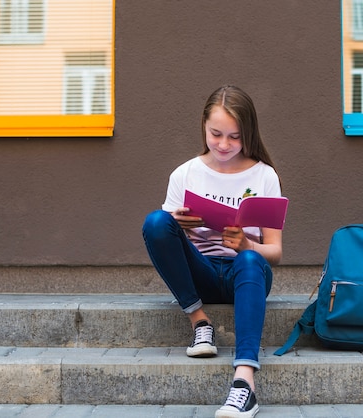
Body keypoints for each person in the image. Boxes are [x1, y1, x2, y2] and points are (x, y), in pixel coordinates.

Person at [142, 85, 283, 418]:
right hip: (201, 272)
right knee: (157, 222)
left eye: (234, 137)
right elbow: (165, 237)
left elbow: (275, 252)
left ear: (248, 133)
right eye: (215, 134)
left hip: (245, 275)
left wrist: (248, 244)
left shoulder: (264, 175)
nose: (223, 144)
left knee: (251, 258)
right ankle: (199, 322)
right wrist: (182, 230)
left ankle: (244, 383)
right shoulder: (186, 174)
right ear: (203, 127)